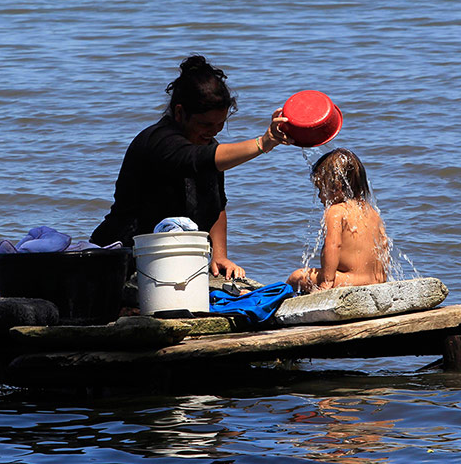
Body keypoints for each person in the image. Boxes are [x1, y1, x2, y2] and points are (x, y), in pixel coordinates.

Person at [90, 55, 292, 279]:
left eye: (220, 124)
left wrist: (219, 255)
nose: (213, 131)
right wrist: (263, 143)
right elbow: (198, 159)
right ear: (179, 113)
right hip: (123, 255)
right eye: (205, 124)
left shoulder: (208, 146)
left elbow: (217, 206)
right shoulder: (159, 141)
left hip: (172, 257)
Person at [286, 148, 388, 293]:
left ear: (337, 187)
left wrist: (328, 282)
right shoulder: (371, 211)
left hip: (350, 281)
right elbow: (384, 247)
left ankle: (276, 300)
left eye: (321, 189)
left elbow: (333, 245)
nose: (320, 197)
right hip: (377, 281)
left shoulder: (336, 211)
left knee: (297, 276)